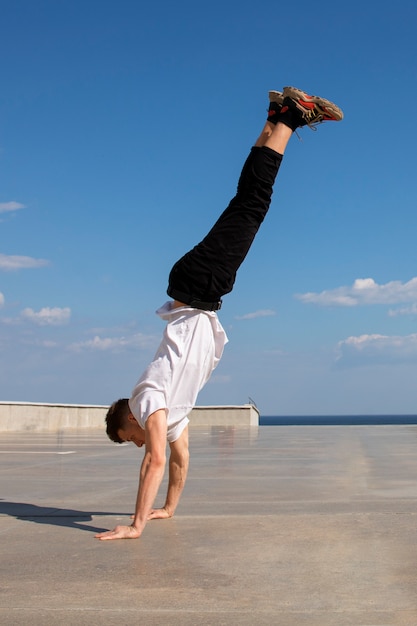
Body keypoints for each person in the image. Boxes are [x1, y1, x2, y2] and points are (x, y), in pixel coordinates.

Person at [95, 86, 343, 541]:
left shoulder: (147, 401)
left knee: (252, 204)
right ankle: (274, 115)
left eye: (127, 439)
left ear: (125, 421)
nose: (136, 444)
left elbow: (155, 460)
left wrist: (135, 525)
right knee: (247, 203)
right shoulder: (173, 415)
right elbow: (180, 460)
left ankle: (288, 118)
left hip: (196, 287)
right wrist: (167, 508)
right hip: (199, 291)